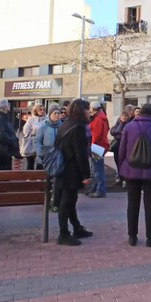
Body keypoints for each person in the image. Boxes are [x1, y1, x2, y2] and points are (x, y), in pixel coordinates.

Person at [118, 103, 151, 247]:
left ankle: (132, 236)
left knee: (132, 204)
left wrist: (121, 167)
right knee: (150, 204)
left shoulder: (129, 127)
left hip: (131, 170)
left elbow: (122, 150)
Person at [54, 99, 93, 246]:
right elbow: (80, 154)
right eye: (87, 109)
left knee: (70, 201)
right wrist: (86, 175)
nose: (89, 112)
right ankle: (63, 233)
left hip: (63, 167)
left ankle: (76, 227)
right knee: (67, 202)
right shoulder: (78, 127)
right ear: (81, 110)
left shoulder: (65, 124)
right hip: (71, 170)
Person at [35, 104, 65, 211]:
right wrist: (39, 154)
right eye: (55, 113)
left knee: (58, 181)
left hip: (59, 156)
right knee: (47, 181)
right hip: (46, 156)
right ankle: (47, 202)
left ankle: (56, 203)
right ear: (50, 114)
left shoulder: (63, 127)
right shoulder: (43, 127)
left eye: (59, 113)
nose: (57, 115)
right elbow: (38, 141)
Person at [0, 98, 22, 170]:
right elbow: (2, 135)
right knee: (2, 172)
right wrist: (13, 141)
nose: (9, 106)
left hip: (5, 150)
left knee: (5, 171)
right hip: (2, 151)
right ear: (4, 107)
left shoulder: (3, 118)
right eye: (8, 104)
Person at [88, 101, 110, 198]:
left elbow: (95, 136)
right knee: (97, 168)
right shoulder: (103, 118)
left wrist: (91, 146)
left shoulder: (97, 120)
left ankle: (100, 189)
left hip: (96, 146)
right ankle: (96, 187)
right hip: (100, 145)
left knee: (97, 169)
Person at [110, 105, 135, 187]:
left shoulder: (132, 121)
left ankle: (125, 180)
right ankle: (120, 178)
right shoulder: (120, 120)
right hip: (117, 145)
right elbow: (113, 131)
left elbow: (126, 133)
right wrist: (121, 123)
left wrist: (119, 133)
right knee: (118, 162)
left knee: (125, 163)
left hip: (126, 145)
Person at [21, 104, 47, 170]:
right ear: (36, 110)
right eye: (40, 109)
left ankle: (39, 179)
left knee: (40, 162)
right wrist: (33, 132)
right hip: (31, 142)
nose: (42, 111)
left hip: (42, 143)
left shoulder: (47, 119)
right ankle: (29, 178)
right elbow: (26, 130)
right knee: (30, 163)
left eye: (43, 109)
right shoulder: (31, 119)